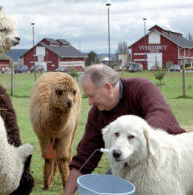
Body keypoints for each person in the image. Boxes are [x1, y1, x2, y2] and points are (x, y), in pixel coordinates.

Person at [62, 64, 185, 195]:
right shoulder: (97, 114)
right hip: (128, 164)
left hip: (171, 159)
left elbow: (160, 114)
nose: (90, 102)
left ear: (108, 88)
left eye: (92, 96)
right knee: (112, 188)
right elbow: (84, 157)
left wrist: (140, 136)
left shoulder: (141, 88)